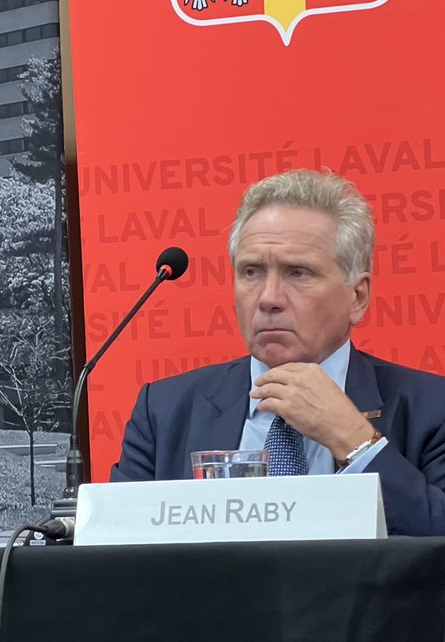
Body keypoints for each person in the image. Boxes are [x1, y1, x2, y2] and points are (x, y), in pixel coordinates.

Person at [111, 169, 445, 536]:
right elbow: (118, 551)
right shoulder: (164, 411)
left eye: (298, 273)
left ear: (357, 297)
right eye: (251, 272)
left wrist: (353, 440)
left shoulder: (432, 409)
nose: (269, 298)